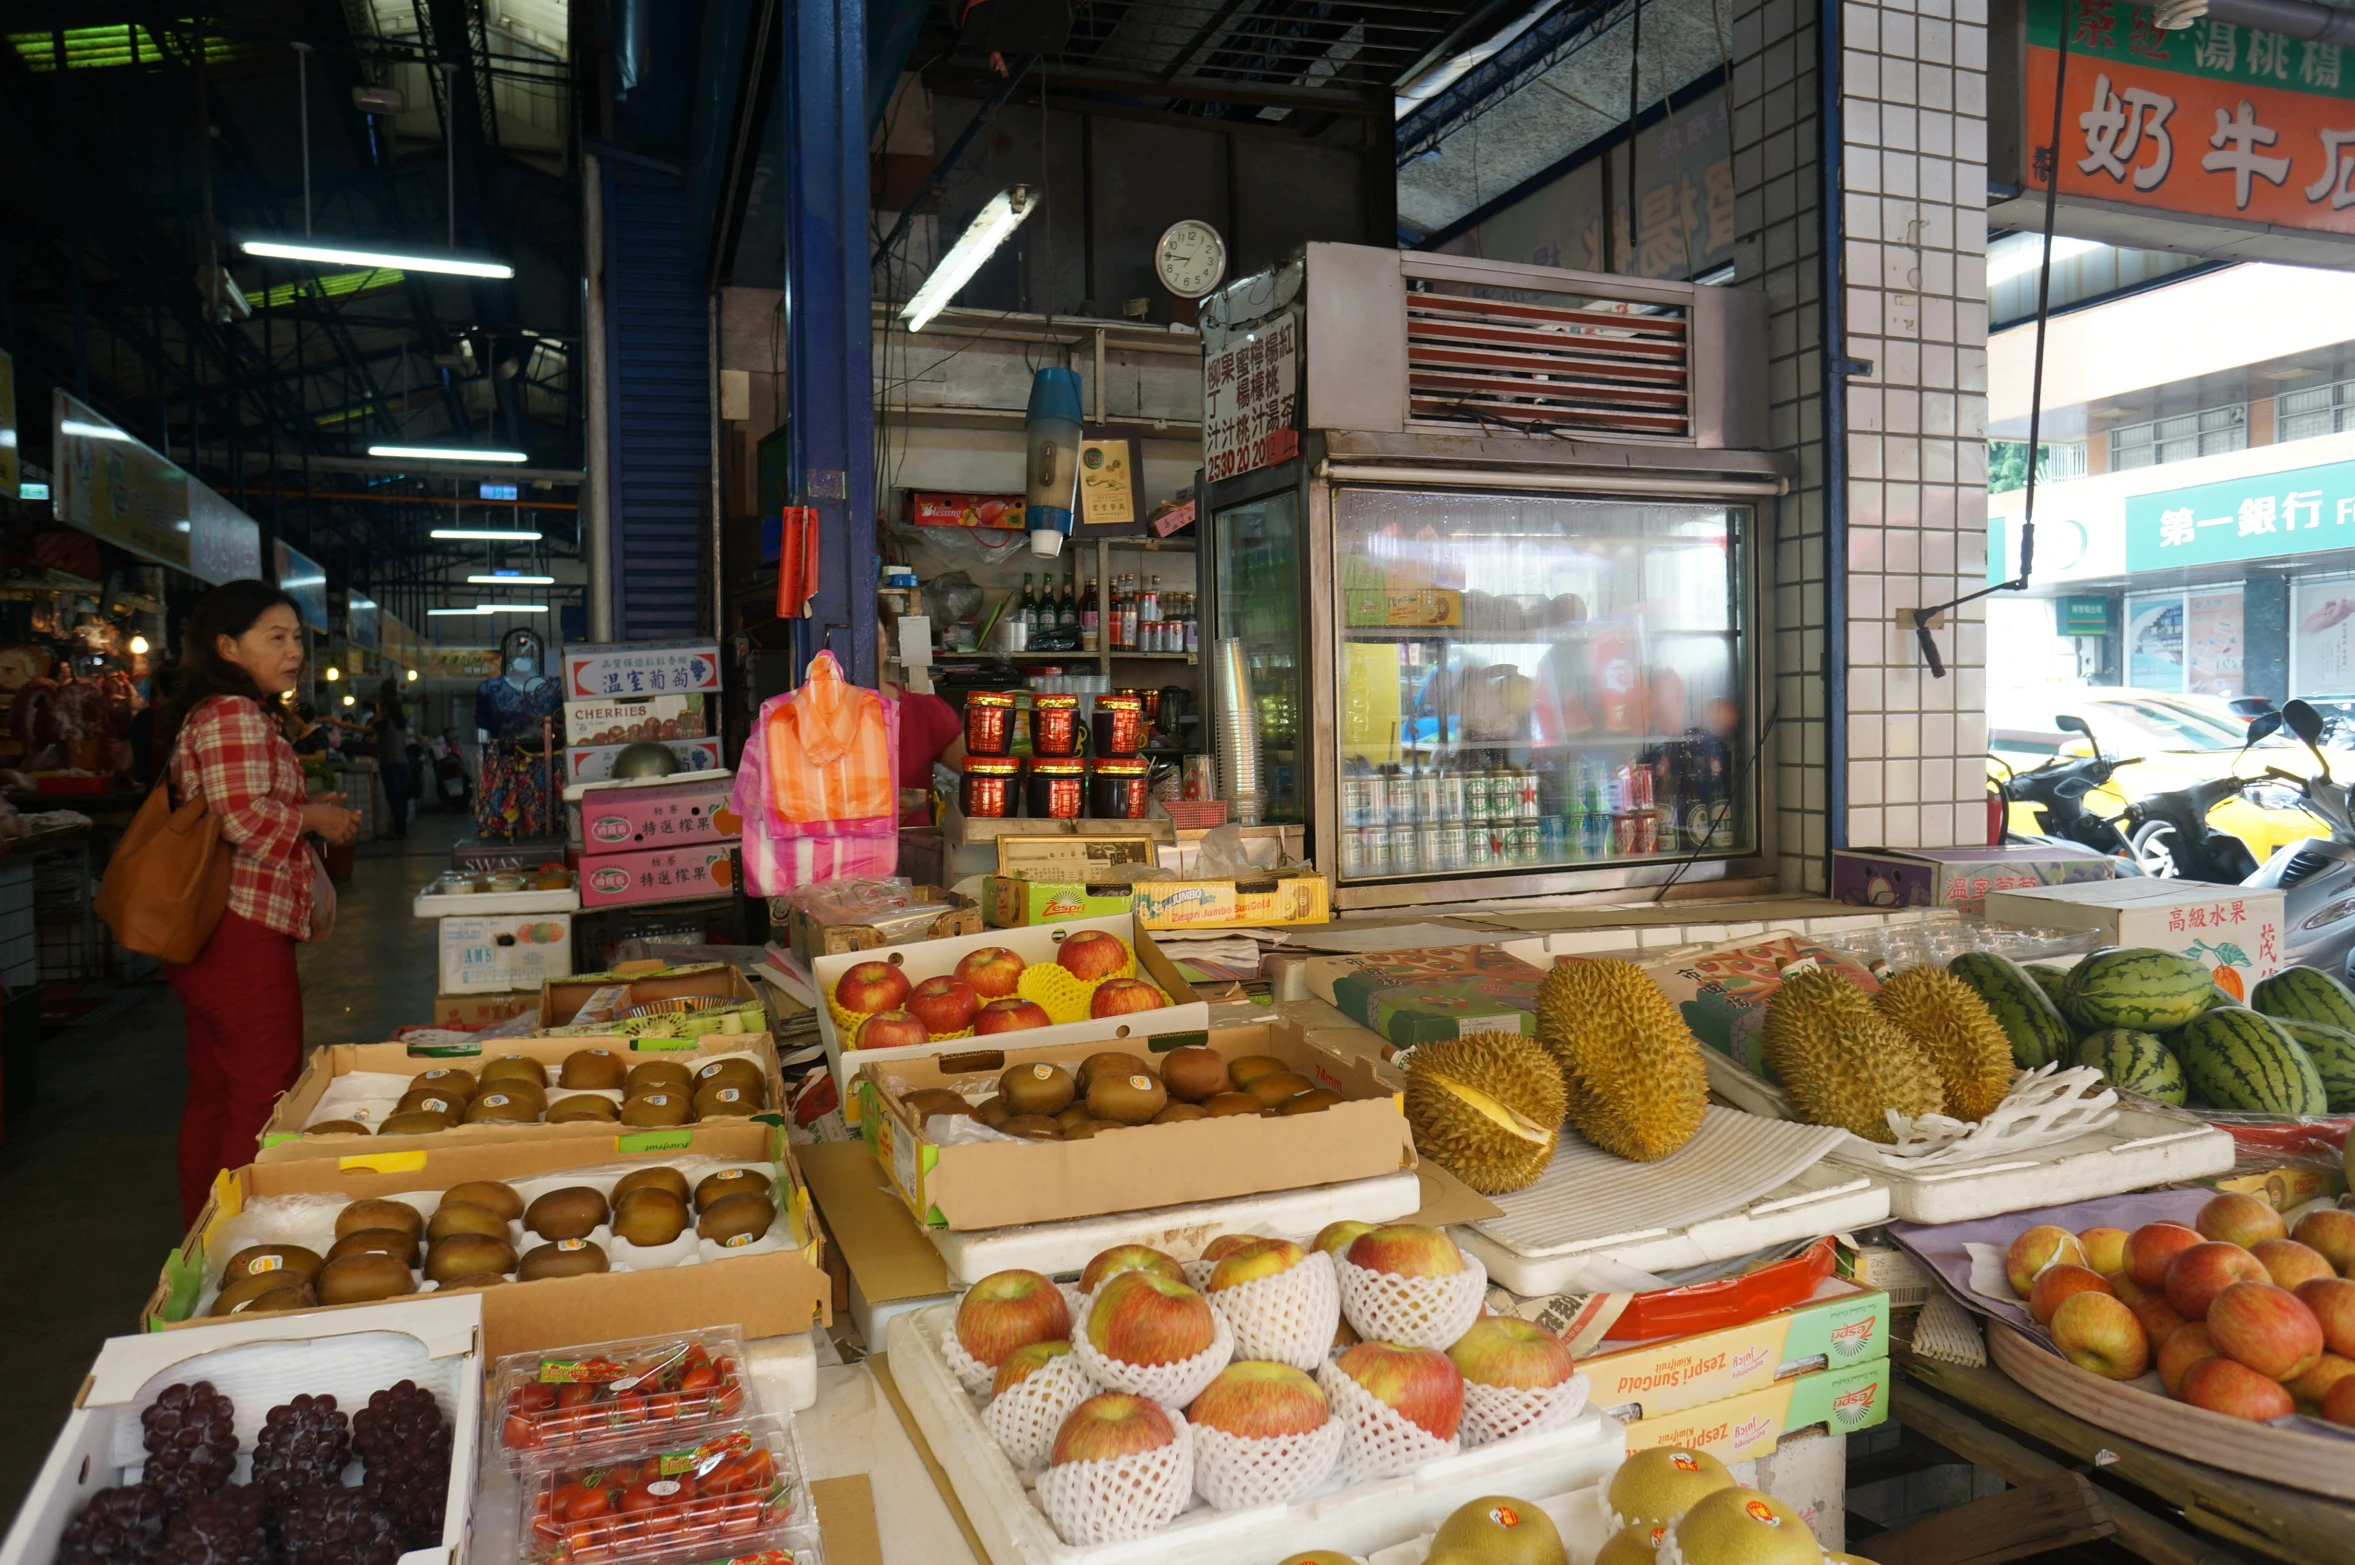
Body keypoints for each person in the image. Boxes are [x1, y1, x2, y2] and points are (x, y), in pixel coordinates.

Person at [160, 580, 360, 1221]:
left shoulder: (221, 713)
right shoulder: (232, 714)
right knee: (260, 1092)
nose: (293, 650)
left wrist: (306, 813)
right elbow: (242, 820)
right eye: (274, 638)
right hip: (240, 933)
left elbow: (238, 807)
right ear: (227, 646)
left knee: (215, 1091)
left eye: (297, 637)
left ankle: (205, 1228)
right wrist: (317, 822)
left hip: (217, 934)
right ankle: (243, 1233)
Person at [886, 679, 965, 826]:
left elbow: (982, 767)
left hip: (912, 844)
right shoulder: (830, 715)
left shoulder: (923, 711)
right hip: (835, 845)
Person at [367, 678, 413, 839]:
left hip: (390, 765)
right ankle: (401, 829)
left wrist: (337, 722)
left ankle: (399, 831)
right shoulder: (401, 723)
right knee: (401, 799)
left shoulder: (384, 723)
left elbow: (365, 730)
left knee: (394, 799)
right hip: (403, 763)